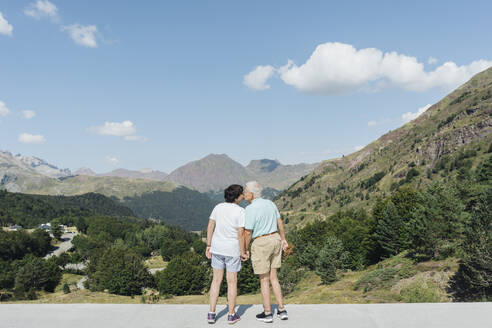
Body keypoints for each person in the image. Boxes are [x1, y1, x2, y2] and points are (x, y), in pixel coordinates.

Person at [243, 181, 289, 323]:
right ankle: (282, 310)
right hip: (275, 239)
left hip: (261, 242)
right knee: (274, 277)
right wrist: (283, 239)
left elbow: (248, 232)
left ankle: (268, 313)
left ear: (251, 194)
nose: (244, 194)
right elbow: (279, 222)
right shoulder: (270, 203)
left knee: (264, 280)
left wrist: (244, 249)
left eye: (245, 191)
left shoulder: (250, 209)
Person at [206, 184, 247, 325]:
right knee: (232, 282)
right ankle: (231, 315)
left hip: (217, 248)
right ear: (237, 197)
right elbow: (240, 233)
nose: (243, 196)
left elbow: (210, 226)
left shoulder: (218, 207)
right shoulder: (241, 211)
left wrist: (208, 245)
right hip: (232, 250)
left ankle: (211, 314)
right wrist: (243, 252)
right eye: (242, 194)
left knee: (216, 281)